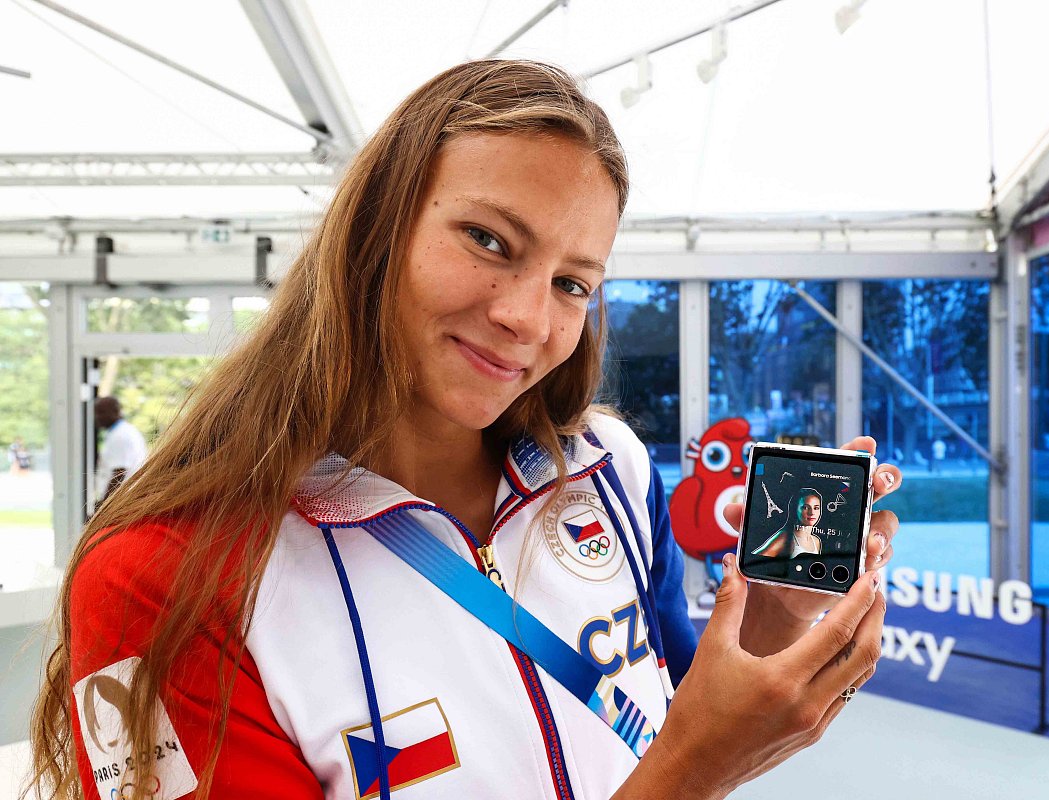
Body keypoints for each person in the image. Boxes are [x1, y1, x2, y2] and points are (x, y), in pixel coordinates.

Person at [29, 61, 902, 800]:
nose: (527, 317)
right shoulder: (160, 578)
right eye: (488, 239)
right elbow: (682, 757)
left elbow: (671, 704)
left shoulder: (611, 467)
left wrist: (781, 621)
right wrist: (688, 776)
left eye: (572, 283)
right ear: (374, 228)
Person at [93, 396, 147, 503]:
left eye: (102, 412)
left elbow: (119, 473)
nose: (97, 417)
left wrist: (103, 506)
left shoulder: (120, 435)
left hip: (124, 500)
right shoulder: (122, 431)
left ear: (116, 411)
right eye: (96, 413)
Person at [755, 490, 824, 557]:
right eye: (805, 507)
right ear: (795, 509)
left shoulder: (816, 541)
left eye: (816, 508)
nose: (811, 513)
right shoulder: (785, 537)